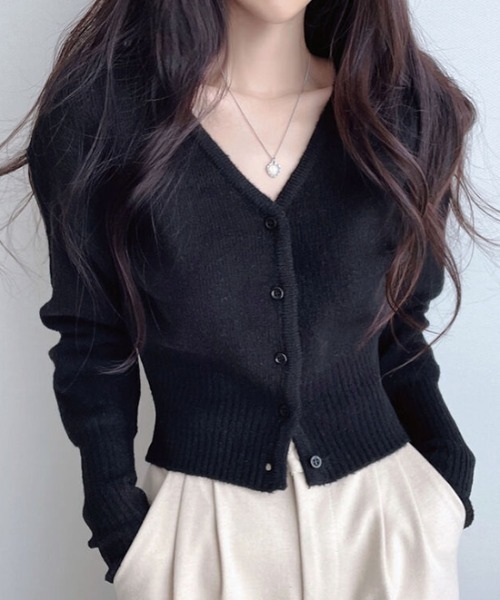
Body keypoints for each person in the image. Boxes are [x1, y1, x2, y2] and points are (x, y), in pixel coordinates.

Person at [2, 1, 497, 598]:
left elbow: (400, 325)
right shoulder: (102, 121)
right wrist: (119, 522)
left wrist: (445, 472)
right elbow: (92, 336)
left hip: (387, 521)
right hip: (200, 530)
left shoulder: (407, 114)